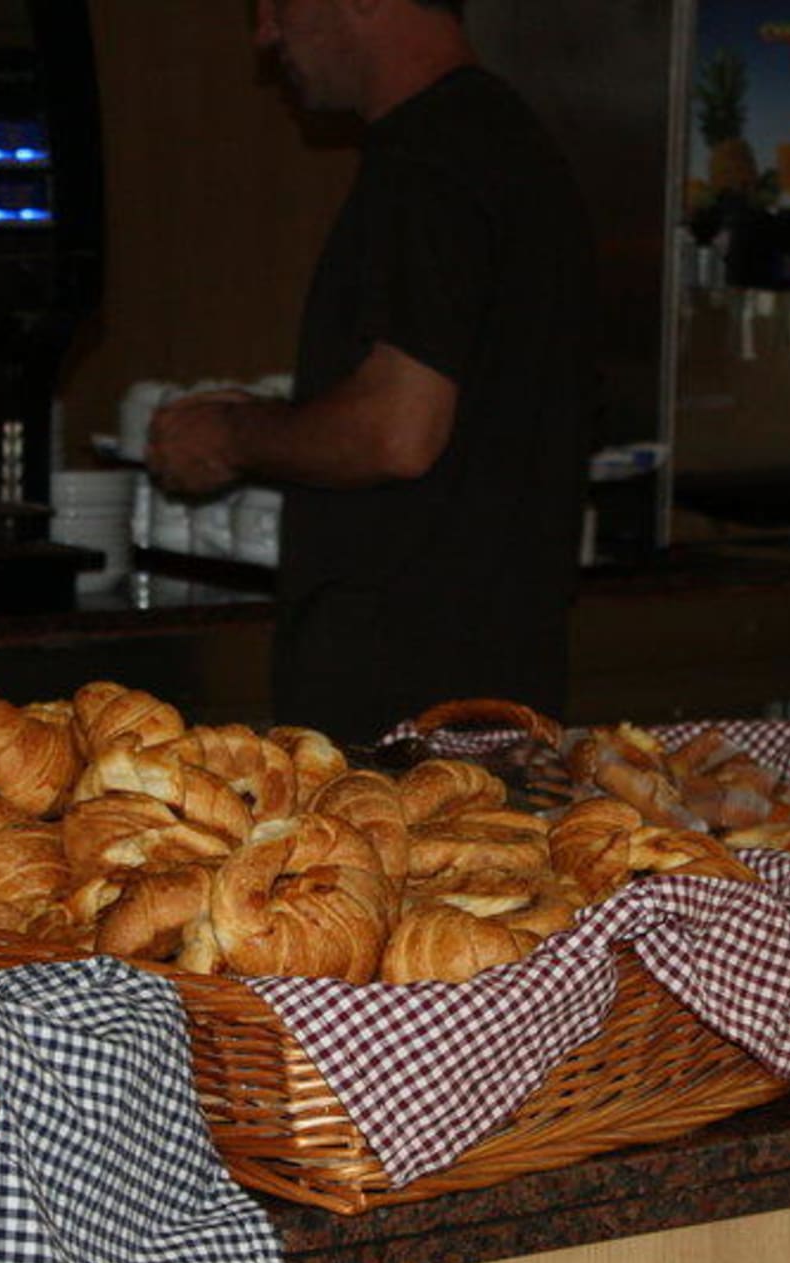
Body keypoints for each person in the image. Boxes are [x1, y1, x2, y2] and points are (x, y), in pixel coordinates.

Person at [144, 0, 597, 745]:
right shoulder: (496, 141)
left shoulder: (433, 158)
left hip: (413, 710)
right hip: (484, 682)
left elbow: (397, 432)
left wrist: (231, 435)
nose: (265, 33)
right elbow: (457, 406)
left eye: (277, 4)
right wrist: (274, 418)